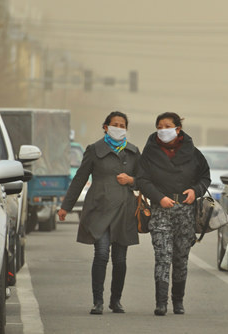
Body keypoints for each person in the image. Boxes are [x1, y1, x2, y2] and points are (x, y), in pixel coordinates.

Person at [58, 111, 141, 315]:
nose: (119, 128)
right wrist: (66, 206)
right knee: (102, 254)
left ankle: (116, 300)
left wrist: (131, 181)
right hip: (99, 210)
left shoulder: (133, 152)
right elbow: (79, 178)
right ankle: (98, 301)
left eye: (122, 125)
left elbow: (145, 180)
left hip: (124, 211)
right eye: (115, 124)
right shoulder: (94, 150)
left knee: (120, 260)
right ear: (105, 127)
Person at [136, 112, 210, 316]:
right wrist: (159, 197)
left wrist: (196, 191)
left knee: (180, 257)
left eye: (167, 126)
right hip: (160, 210)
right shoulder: (149, 152)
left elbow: (205, 177)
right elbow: (142, 179)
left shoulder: (193, 152)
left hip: (185, 212)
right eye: (159, 126)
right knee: (162, 256)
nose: (162, 130)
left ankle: (178, 300)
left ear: (178, 129)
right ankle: (161, 302)